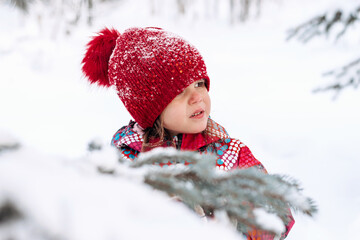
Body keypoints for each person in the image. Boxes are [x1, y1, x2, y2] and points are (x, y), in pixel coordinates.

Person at [81, 27, 294, 239]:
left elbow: (278, 213)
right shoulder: (127, 161)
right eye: (180, 91)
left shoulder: (230, 152)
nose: (197, 97)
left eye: (199, 84)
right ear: (149, 107)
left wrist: (233, 221)